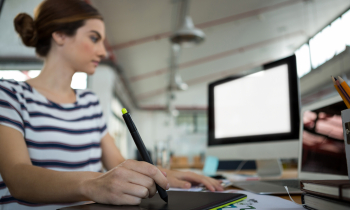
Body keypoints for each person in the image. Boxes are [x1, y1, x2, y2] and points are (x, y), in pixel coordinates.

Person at [0, 0, 223, 209]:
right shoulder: (10, 94)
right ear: (59, 35)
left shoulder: (90, 103)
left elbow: (116, 161)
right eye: (94, 38)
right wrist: (93, 183)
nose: (103, 51)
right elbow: (18, 178)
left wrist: (164, 174)